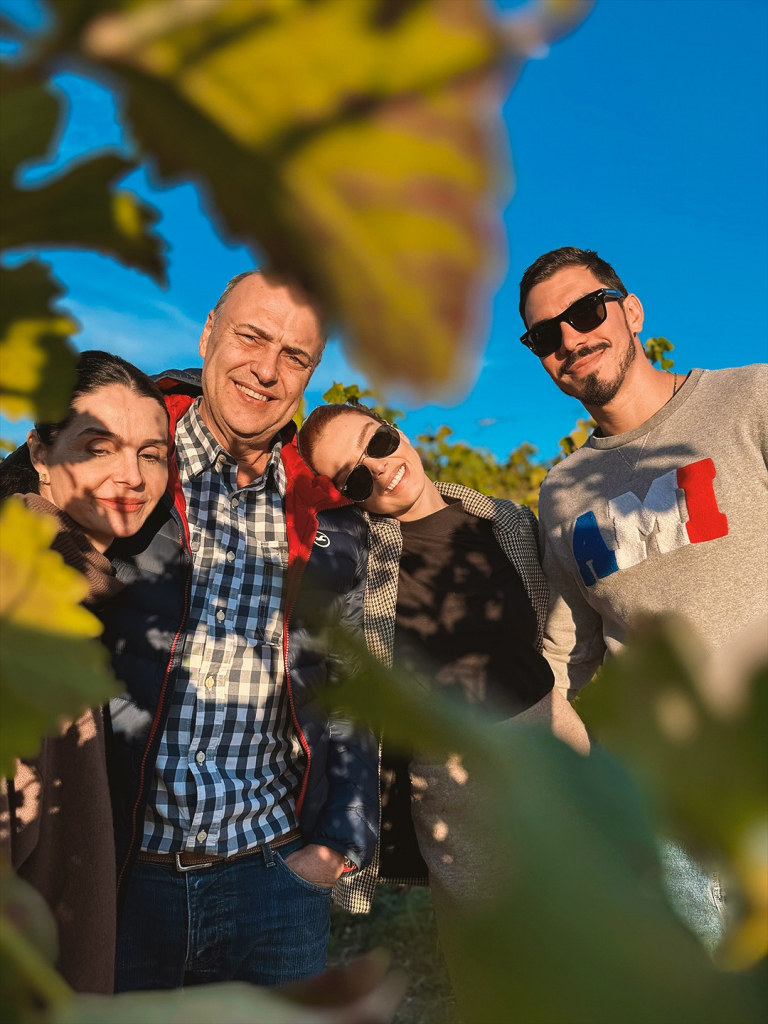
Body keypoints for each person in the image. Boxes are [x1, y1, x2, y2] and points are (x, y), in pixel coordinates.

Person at [102, 270, 378, 991]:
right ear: (208, 335)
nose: (266, 369)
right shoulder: (125, 460)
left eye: (295, 356)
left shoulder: (328, 508)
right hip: (121, 880)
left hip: (275, 882)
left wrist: (336, 844)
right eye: (252, 337)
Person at [518, 245, 768, 946]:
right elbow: (569, 656)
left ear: (631, 311)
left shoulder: (752, 397)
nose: (569, 339)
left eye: (585, 312)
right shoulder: (562, 491)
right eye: (545, 335)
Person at [297, 401, 589, 920]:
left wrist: (564, 703)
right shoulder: (358, 564)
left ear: (397, 431)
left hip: (559, 755)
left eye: (378, 442)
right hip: (459, 796)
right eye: (355, 478)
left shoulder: (506, 522)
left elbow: (553, 631)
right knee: (490, 955)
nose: (380, 468)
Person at [0, 350, 170, 993]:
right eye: (98, 448)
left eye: (152, 454)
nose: (131, 475)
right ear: (40, 454)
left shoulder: (80, 587)